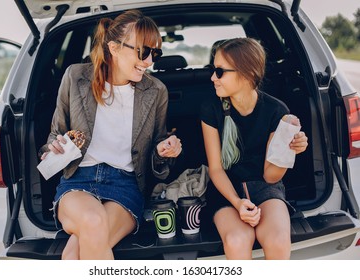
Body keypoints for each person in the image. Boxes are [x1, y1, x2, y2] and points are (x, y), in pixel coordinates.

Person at [39, 10, 182, 260]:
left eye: (155, 53)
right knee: (93, 222)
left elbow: (158, 148)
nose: (149, 61)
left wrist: (164, 150)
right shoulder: (75, 76)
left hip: (126, 185)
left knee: (73, 256)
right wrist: (54, 148)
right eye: (143, 52)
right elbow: (55, 135)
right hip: (77, 182)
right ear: (114, 48)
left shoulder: (156, 90)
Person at [200, 38, 308, 260]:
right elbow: (216, 169)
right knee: (237, 241)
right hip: (226, 191)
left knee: (278, 241)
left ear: (247, 74)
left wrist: (287, 151)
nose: (212, 77)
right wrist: (238, 202)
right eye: (213, 69)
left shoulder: (277, 110)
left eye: (220, 71)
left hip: (266, 189)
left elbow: (271, 176)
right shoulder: (211, 108)